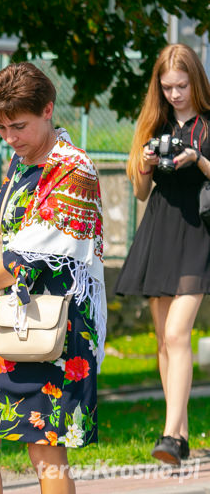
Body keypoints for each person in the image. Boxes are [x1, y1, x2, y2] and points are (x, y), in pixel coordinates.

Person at [0, 62, 105, 493]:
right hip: (8, 316)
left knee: (46, 451)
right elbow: (5, 246)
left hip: (55, 325)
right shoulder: (19, 167)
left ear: (48, 111)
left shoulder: (75, 170)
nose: (9, 138)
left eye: (18, 126)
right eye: (0, 129)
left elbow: (28, 256)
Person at [114, 43, 210, 465]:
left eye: (182, 86)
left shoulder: (207, 124)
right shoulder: (155, 123)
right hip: (160, 227)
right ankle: (181, 435)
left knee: (177, 334)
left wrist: (199, 159)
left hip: (199, 231)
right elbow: (139, 191)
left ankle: (170, 433)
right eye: (167, 87)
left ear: (196, 81)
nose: (174, 94)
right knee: (163, 341)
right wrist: (147, 165)